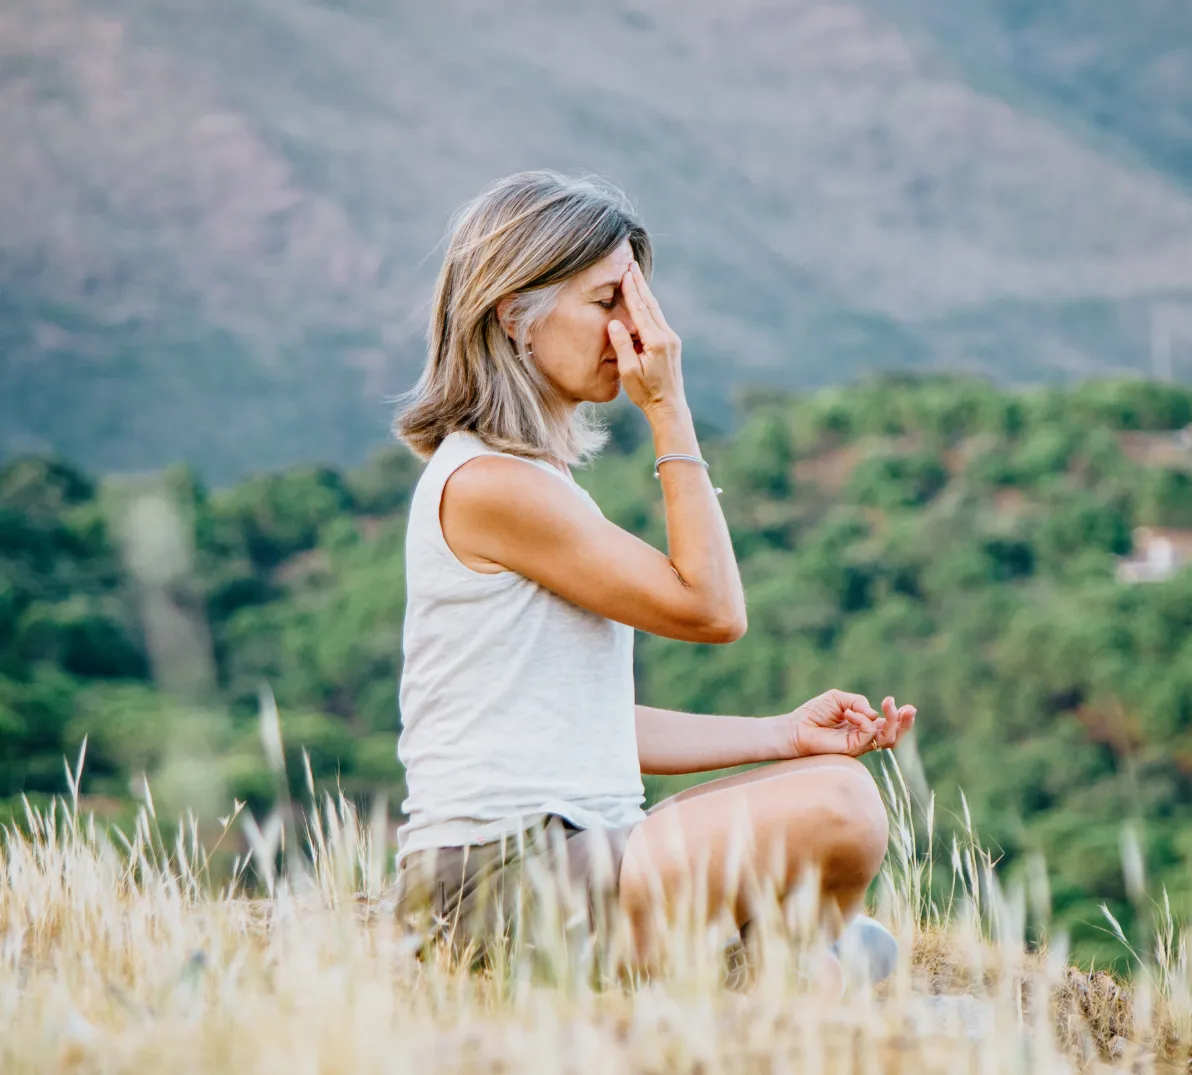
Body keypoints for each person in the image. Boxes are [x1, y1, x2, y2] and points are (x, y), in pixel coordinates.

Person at [389, 170, 916, 982]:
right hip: (498, 885)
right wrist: (669, 409)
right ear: (513, 313)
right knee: (842, 807)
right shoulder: (490, 484)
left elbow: (589, 722)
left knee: (828, 784)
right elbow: (712, 609)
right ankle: (778, 971)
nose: (635, 330)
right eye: (608, 301)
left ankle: (772, 980)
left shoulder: (532, 481)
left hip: (588, 854)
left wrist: (783, 734)